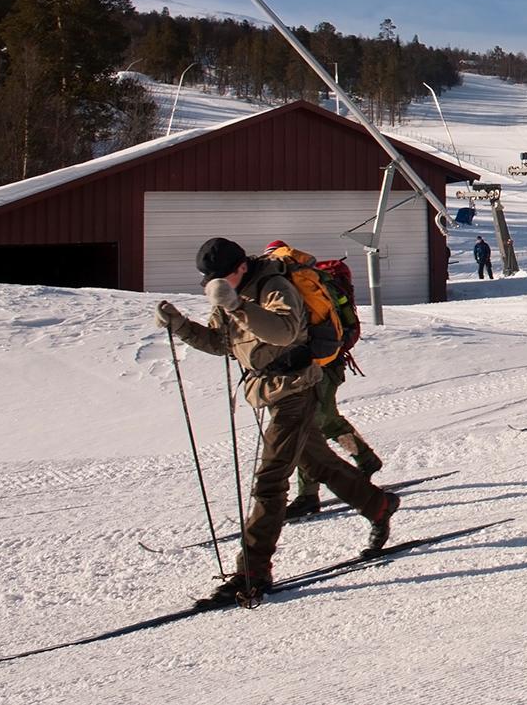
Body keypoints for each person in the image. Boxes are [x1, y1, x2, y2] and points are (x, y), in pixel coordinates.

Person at [154, 237, 398, 607]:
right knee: (319, 463)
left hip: (297, 390)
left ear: (239, 268)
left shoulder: (274, 285)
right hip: (269, 392)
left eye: (221, 278)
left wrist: (236, 305)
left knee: (270, 481)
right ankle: (377, 506)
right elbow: (222, 344)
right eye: (209, 281)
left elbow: (284, 332)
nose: (215, 286)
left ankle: (251, 573)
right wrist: (180, 325)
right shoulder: (231, 293)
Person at [262, 240, 382, 519]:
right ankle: (364, 460)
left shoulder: (291, 283)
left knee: (311, 426)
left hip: (318, 365)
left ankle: (309, 495)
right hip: (326, 362)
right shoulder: (307, 280)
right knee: (324, 422)